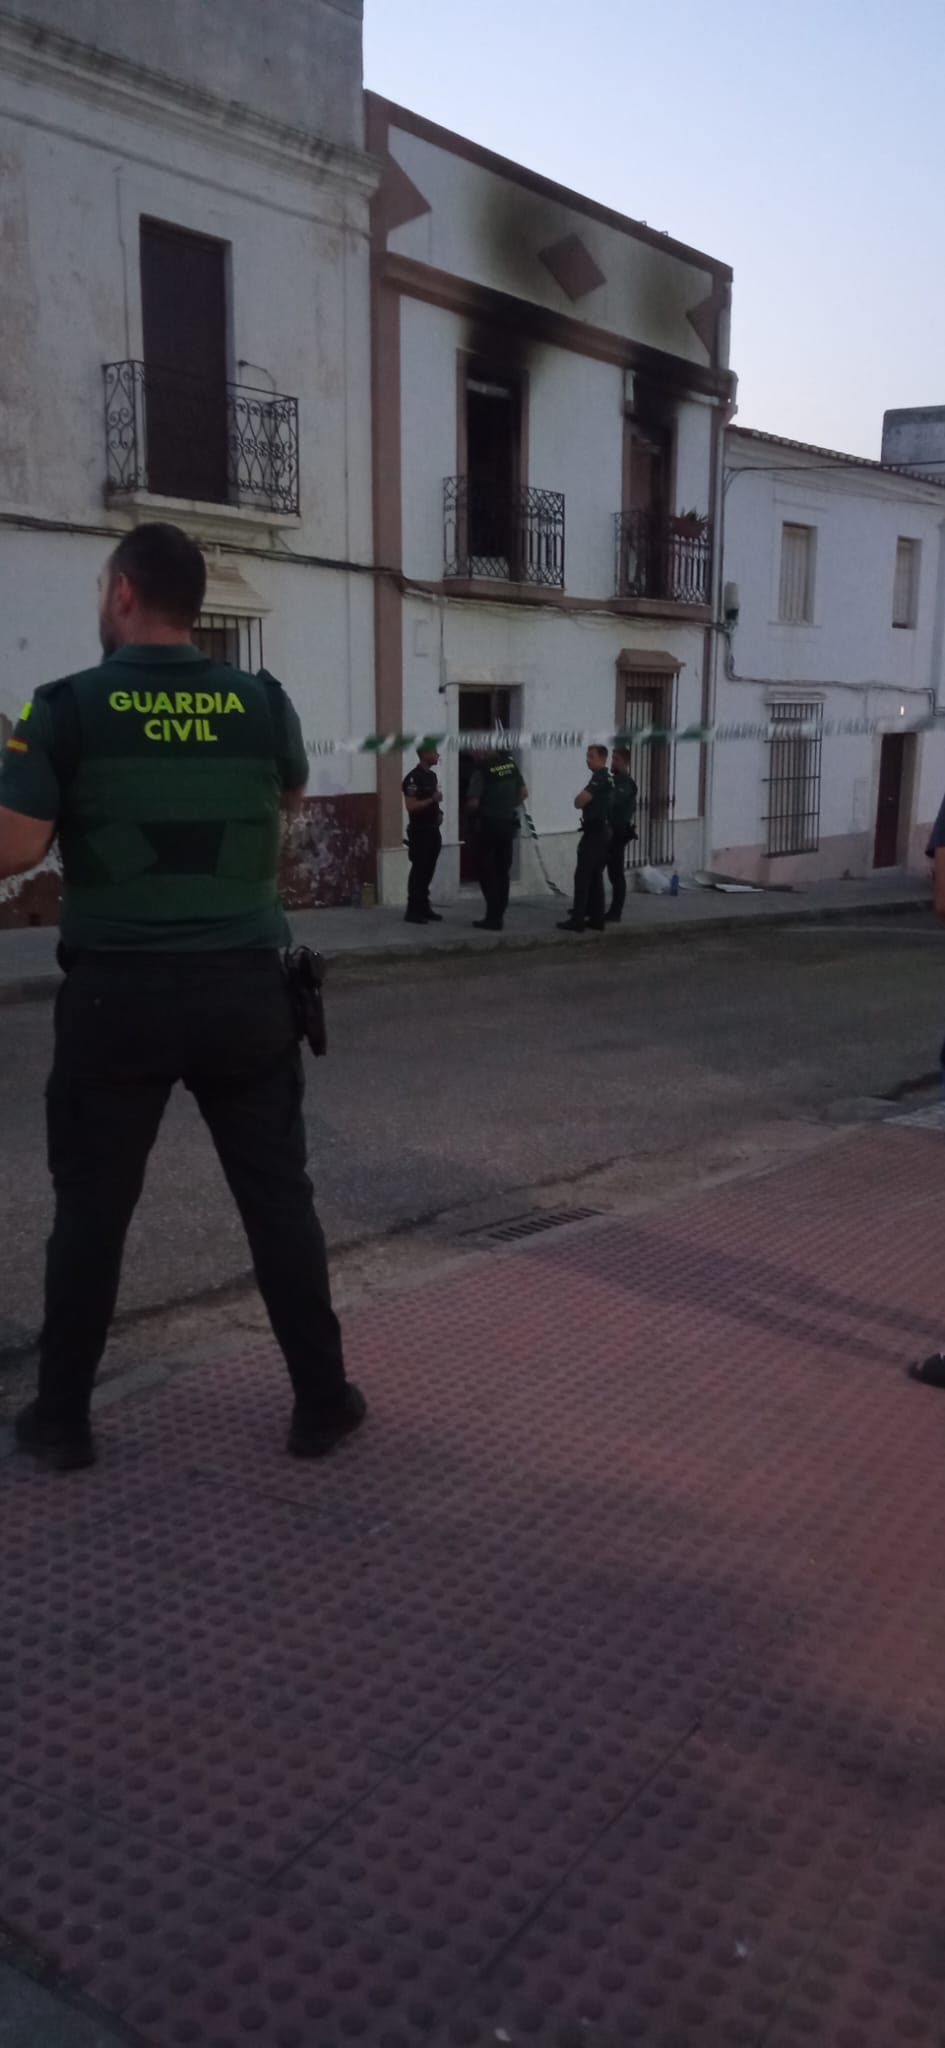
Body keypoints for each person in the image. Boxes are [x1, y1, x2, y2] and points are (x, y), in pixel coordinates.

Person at [0, 521, 365, 1471]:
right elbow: (283, 807)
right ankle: (322, 1404)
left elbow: (14, 849)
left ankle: (63, 1421)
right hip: (246, 993)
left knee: (91, 1213)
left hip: (116, 1001)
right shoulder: (263, 703)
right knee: (279, 1202)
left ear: (122, 593)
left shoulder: (62, 708)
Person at [465, 746, 528, 932]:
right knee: (503, 871)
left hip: (488, 826)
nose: (473, 755)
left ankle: (492, 917)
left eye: (475, 751)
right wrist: (507, 805)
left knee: (486, 872)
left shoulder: (482, 770)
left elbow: (473, 803)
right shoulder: (511, 765)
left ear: (484, 751)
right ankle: (499, 913)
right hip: (508, 824)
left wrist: (467, 812)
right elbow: (524, 793)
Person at [558, 745, 614, 934]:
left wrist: (578, 801)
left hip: (595, 833)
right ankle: (597, 918)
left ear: (602, 758)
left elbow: (581, 800)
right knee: (596, 877)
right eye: (587, 756)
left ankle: (578, 919)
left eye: (591, 756)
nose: (587, 760)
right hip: (602, 832)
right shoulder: (608, 778)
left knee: (582, 876)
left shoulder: (601, 777)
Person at [402, 743, 443, 925]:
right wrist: (431, 800)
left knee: (428, 870)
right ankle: (412, 910)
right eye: (434, 751)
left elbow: (433, 803)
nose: (438, 755)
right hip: (420, 832)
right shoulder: (413, 778)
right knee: (419, 870)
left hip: (433, 829)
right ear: (425, 754)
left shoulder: (432, 777)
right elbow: (410, 806)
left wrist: (438, 812)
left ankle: (424, 906)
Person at [604, 742, 638, 924]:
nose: (613, 762)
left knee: (615, 873)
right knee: (595, 870)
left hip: (617, 832)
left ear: (625, 762)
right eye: (613, 758)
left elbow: (612, 801)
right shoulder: (614, 781)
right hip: (606, 831)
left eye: (616, 759)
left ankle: (615, 911)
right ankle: (589, 907)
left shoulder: (626, 784)